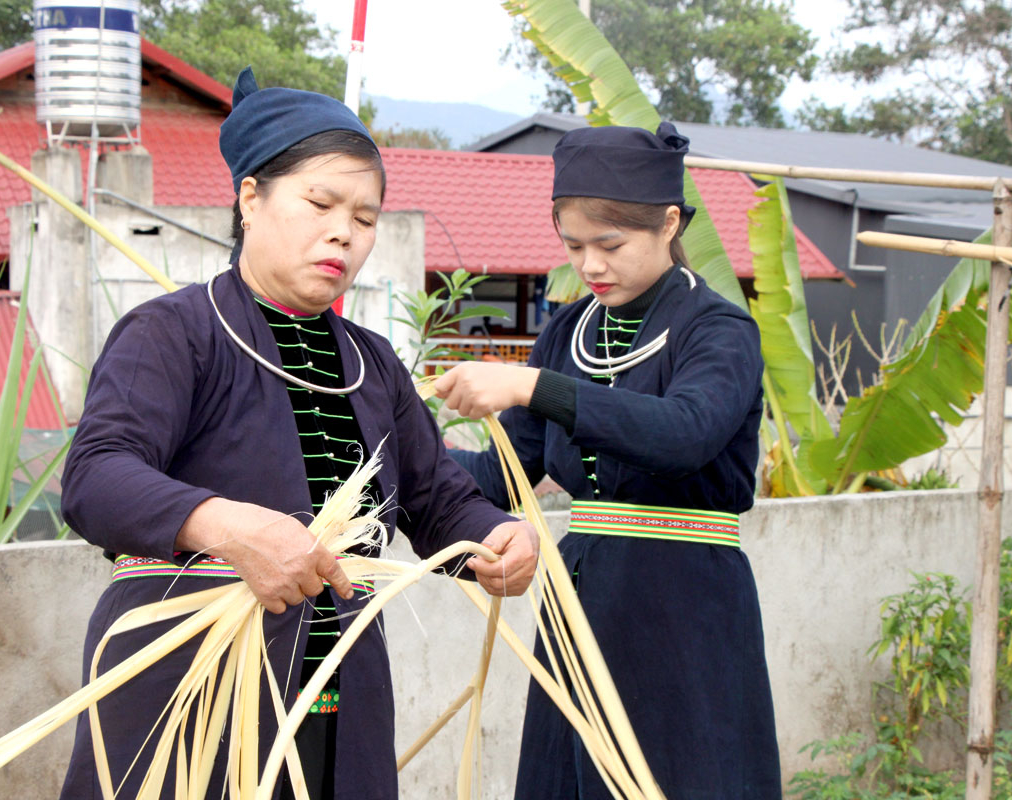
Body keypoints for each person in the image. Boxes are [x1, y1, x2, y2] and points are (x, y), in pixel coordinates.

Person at [58, 68, 538, 800]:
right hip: (192, 692)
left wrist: (494, 537)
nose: (343, 231)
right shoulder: (175, 333)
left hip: (338, 696)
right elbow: (95, 477)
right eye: (320, 203)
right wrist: (223, 524)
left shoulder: (369, 364)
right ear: (250, 197)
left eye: (366, 218)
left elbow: (437, 499)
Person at [435, 122, 781, 799]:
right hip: (584, 598)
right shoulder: (569, 329)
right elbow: (509, 471)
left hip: (685, 604)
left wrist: (532, 384)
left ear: (669, 223)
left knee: (682, 775)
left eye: (610, 245)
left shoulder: (719, 329)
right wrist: (405, 453)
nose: (591, 265)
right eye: (573, 246)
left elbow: (686, 432)